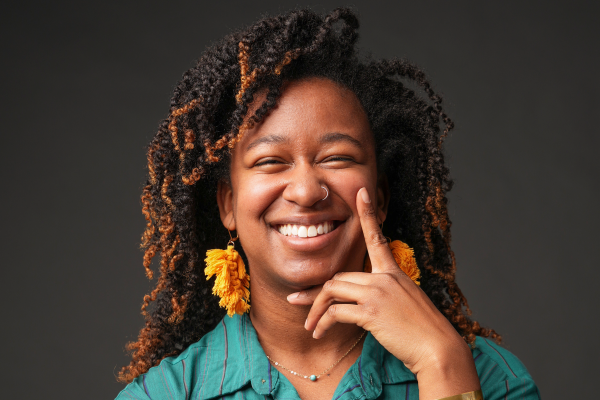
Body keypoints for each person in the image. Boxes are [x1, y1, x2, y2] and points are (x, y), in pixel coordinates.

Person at [116, 8, 540, 400]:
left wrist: (440, 364)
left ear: (381, 197)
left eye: (337, 158)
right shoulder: (165, 394)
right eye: (269, 161)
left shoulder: (491, 378)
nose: (305, 191)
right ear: (228, 205)